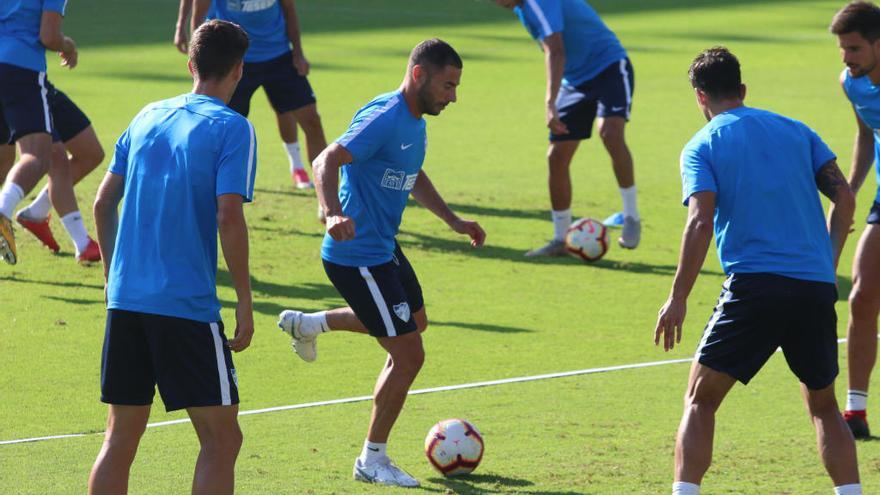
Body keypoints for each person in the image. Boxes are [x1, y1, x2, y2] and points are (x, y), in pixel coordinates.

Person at [277, 39, 485, 487]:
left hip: (383, 248)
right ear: (418, 75)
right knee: (408, 355)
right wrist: (331, 211)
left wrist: (452, 219)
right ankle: (372, 459)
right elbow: (326, 158)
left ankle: (311, 324)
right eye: (448, 86)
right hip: (358, 256)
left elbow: (410, 173)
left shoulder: (414, 121)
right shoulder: (386, 117)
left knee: (414, 324)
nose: (453, 97)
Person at [653, 47, 860, 495]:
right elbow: (844, 197)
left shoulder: (702, 144)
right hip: (814, 287)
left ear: (699, 96)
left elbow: (700, 220)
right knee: (823, 407)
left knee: (701, 399)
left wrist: (678, 297)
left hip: (755, 288)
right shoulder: (798, 131)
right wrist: (827, 261)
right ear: (743, 90)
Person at [88, 20, 256, 495]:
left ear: (191, 65)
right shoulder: (233, 129)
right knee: (222, 439)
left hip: (126, 300)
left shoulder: (147, 115)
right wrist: (244, 298)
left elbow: (102, 203)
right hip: (185, 305)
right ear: (239, 70)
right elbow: (228, 216)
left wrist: (110, 277)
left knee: (119, 437)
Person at [492, 0, 640, 255]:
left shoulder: (537, 2)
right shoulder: (522, 9)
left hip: (610, 67)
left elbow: (556, 50)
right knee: (557, 156)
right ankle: (561, 239)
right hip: (575, 81)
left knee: (610, 133)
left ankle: (631, 217)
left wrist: (550, 101)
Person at [189, 0, 328, 197]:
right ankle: (209, 191)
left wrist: (298, 52)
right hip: (232, 58)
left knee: (312, 121)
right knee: (219, 129)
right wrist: (201, 64)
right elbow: (198, 15)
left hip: (279, 56)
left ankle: (326, 200)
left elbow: (289, 9)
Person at [0, 0, 83, 264]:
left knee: (3, 161)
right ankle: (2, 212)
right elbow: (48, 36)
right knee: (37, 156)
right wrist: (67, 45)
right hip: (21, 67)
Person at [831, 1, 880, 439]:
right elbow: (866, 133)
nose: (846, 57)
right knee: (862, 295)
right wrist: (848, 190)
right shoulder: (853, 84)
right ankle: (856, 411)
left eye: (854, 48)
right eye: (843, 49)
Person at [0, 86, 104, 260]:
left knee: (90, 153)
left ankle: (36, 213)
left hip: (37, 82)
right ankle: (83, 244)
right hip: (16, 83)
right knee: (45, 157)